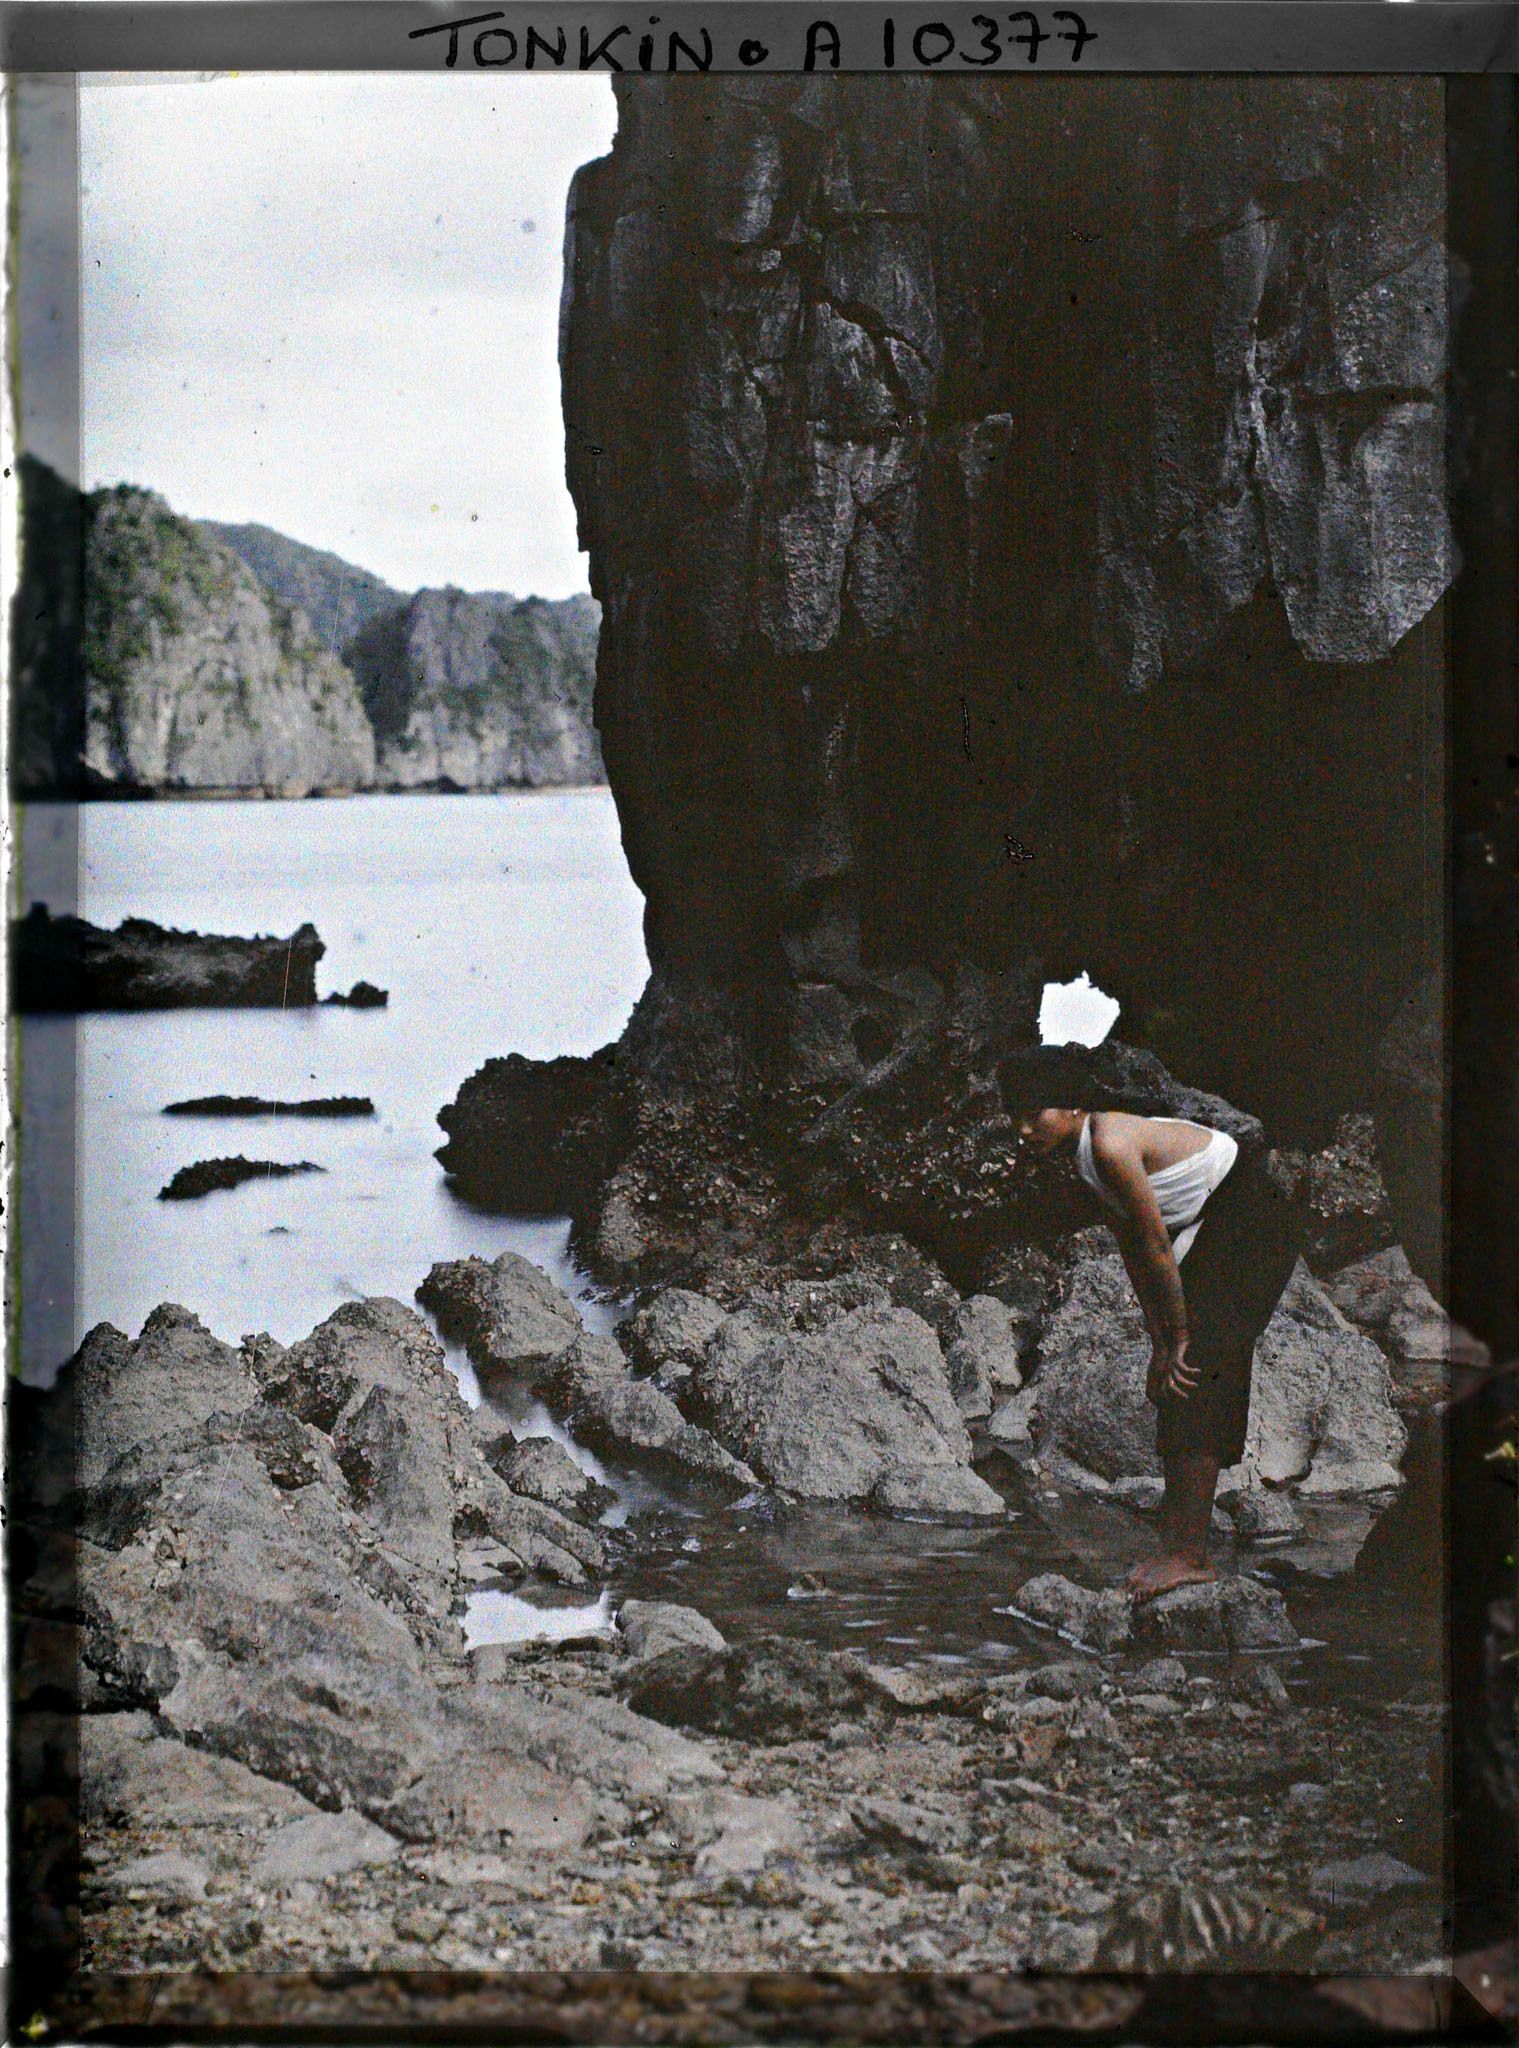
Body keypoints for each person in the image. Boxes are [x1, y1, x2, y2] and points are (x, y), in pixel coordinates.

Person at [998, 1046, 1301, 1601]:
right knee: (1179, 1375)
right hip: (1215, 1220)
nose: (1023, 1129)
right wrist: (1160, 1341)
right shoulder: (1084, 1156)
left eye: (1034, 1114)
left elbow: (1157, 1246)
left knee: (1201, 1368)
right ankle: (1181, 1546)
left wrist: (1182, 1337)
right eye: (1014, 1117)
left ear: (1071, 1106)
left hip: (1254, 1212)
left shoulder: (1110, 1144)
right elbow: (1133, 1249)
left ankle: (1189, 1556)